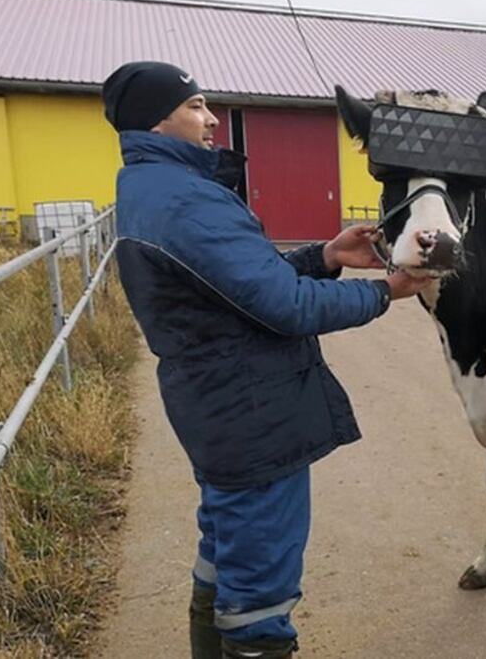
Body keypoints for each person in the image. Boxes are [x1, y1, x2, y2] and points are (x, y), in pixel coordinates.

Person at [101, 61, 429, 659]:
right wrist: (385, 291)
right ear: (157, 119)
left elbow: (241, 287)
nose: (211, 118)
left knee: (224, 555)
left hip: (218, 405)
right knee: (259, 597)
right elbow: (286, 307)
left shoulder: (157, 190)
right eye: (196, 105)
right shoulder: (185, 201)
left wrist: (324, 255)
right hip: (251, 415)